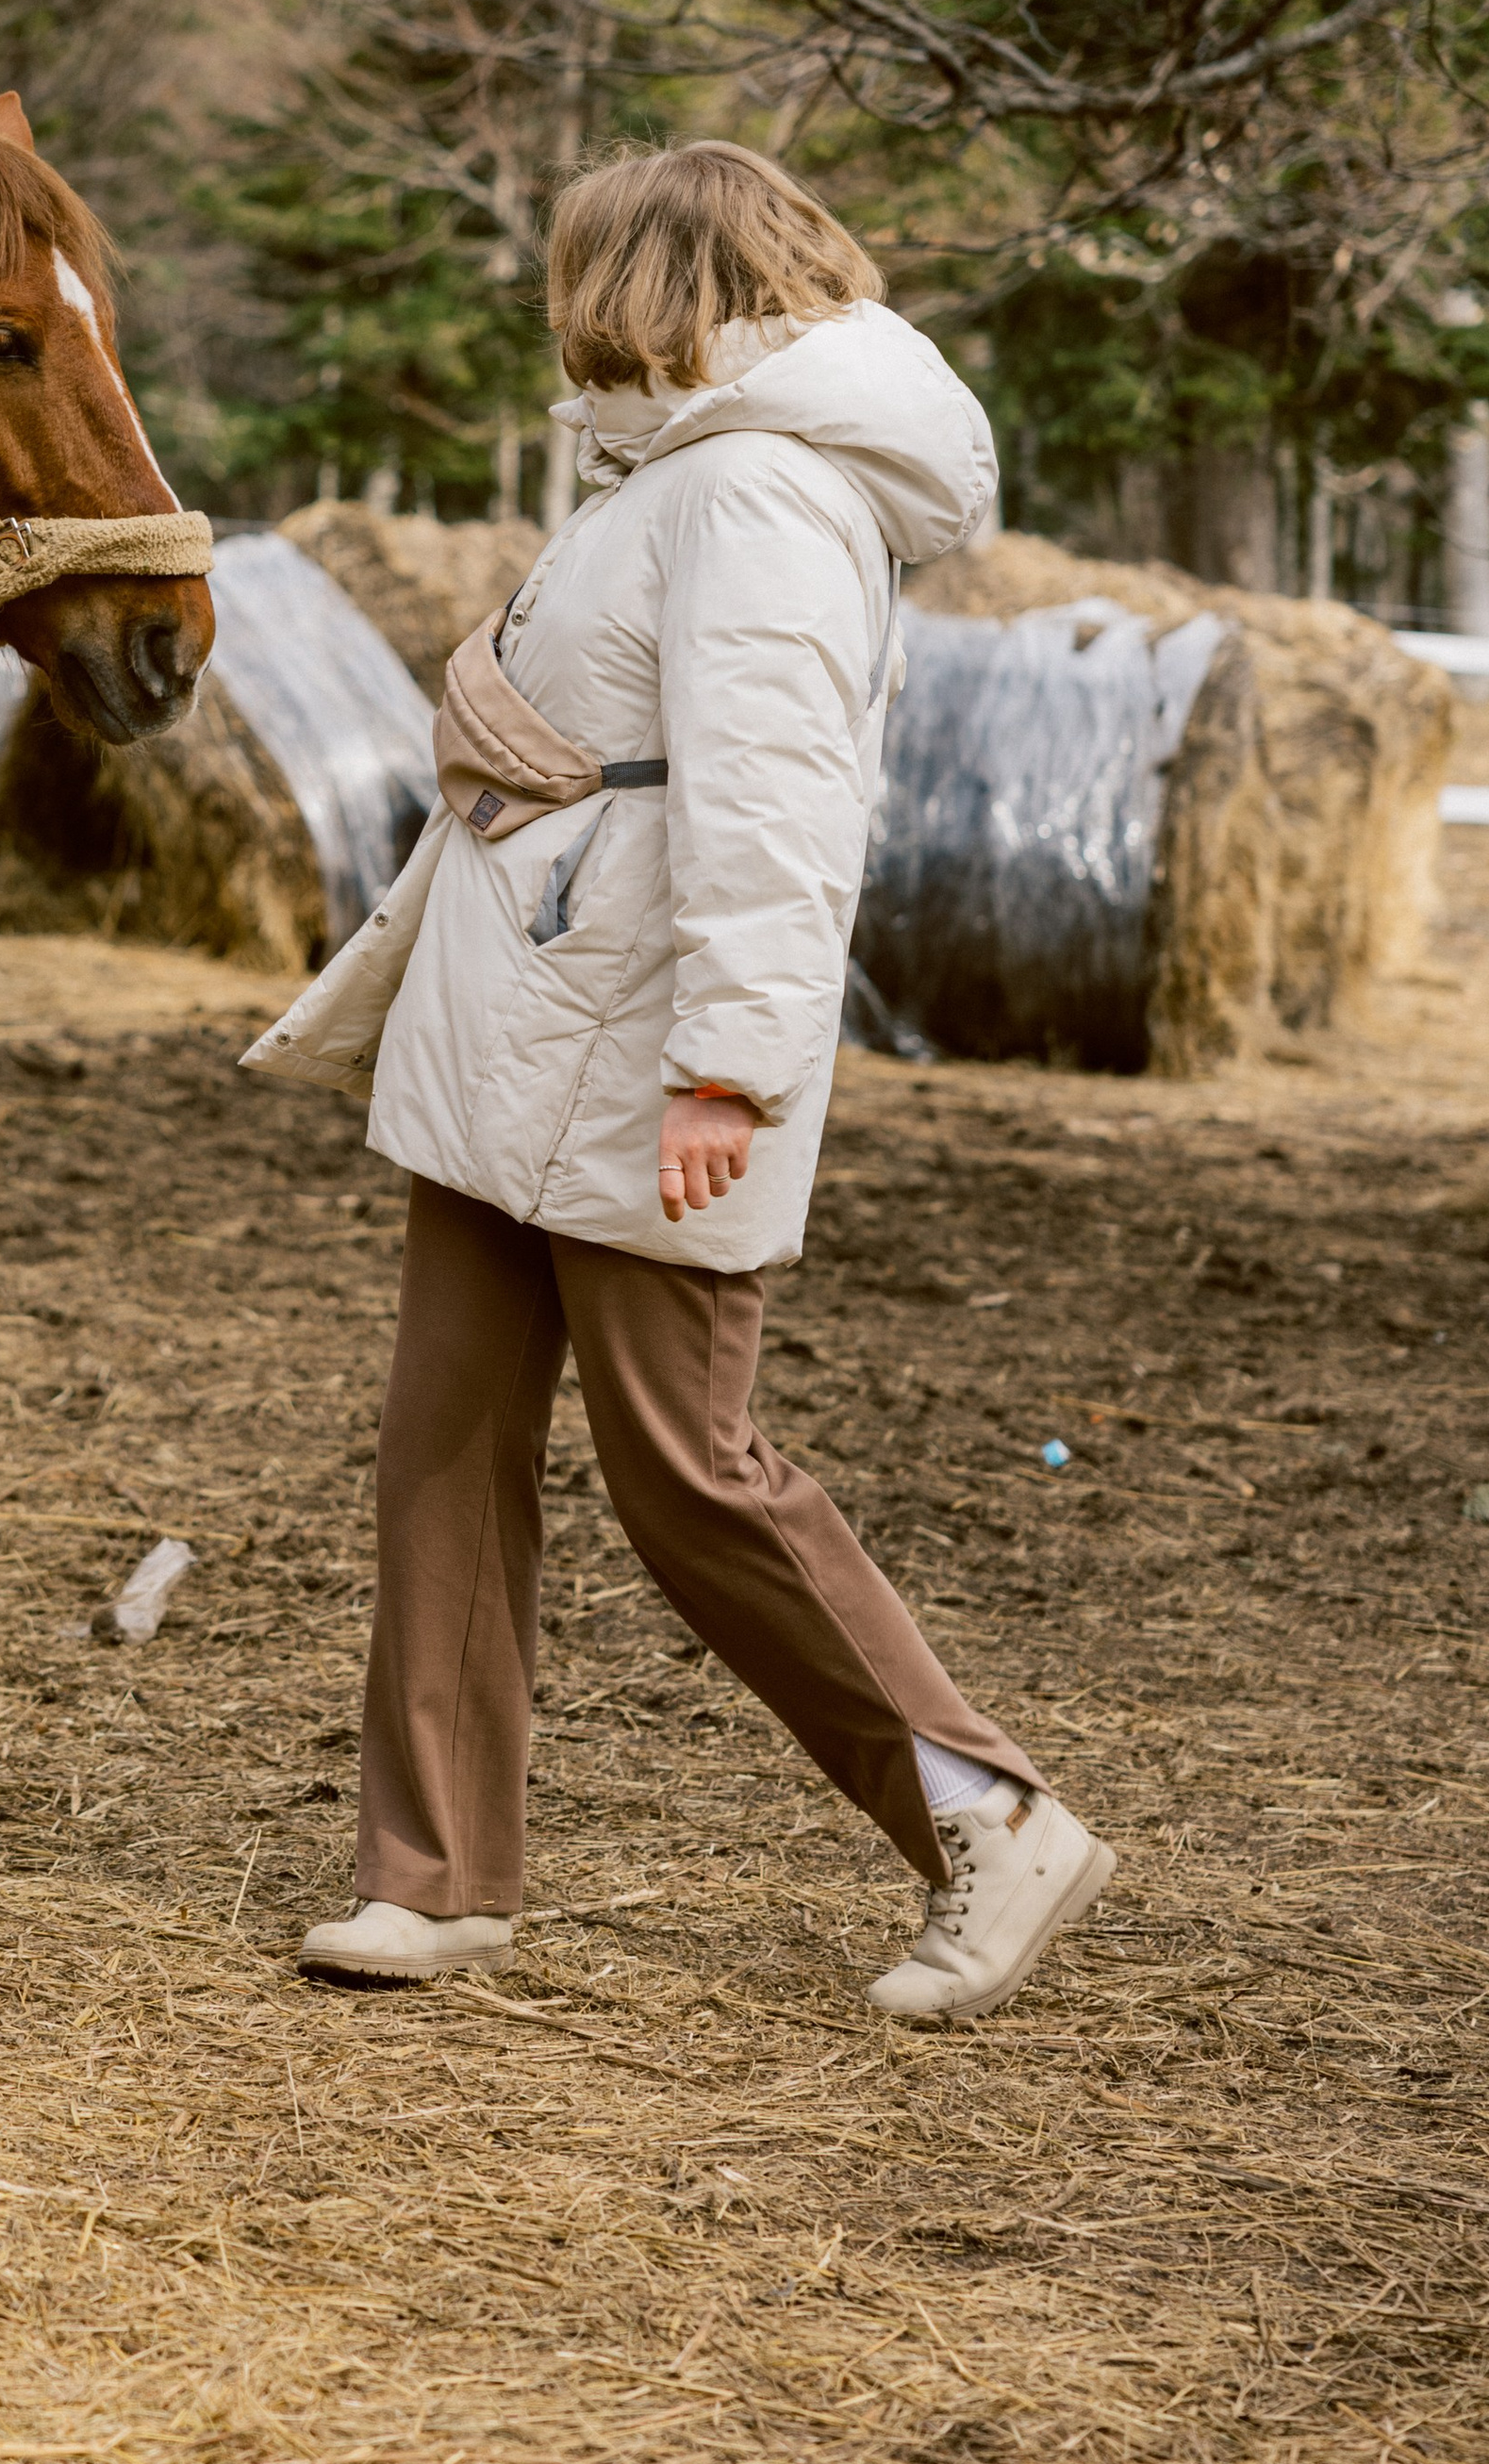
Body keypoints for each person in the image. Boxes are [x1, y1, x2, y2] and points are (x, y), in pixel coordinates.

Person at [242, 140, 1114, 2023]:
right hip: (521, 1039)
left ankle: (988, 1813)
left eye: (577, 274)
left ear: (646, 279)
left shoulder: (760, 493)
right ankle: (430, 1877)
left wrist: (725, 1070)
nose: (556, 309)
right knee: (442, 1456)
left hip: (643, 1055)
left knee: (691, 1477)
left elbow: (776, 810)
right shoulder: (671, 478)